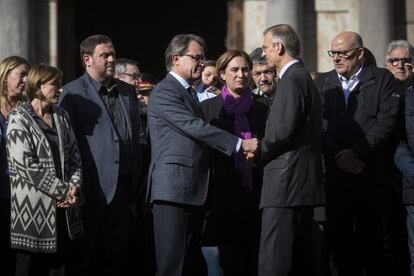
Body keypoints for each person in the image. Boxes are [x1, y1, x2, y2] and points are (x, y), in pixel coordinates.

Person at [147, 33, 258, 276]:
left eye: (202, 58)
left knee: (190, 266)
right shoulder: (166, 91)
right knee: (171, 266)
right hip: (173, 191)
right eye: (196, 57)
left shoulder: (187, 91)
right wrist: (240, 144)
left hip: (192, 191)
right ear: (176, 59)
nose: (201, 62)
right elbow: (193, 126)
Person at [314, 31, 400, 276]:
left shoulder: (382, 79)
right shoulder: (322, 82)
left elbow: (387, 122)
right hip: (334, 179)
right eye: (333, 53)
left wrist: (356, 153)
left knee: (375, 247)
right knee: (339, 248)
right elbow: (315, 126)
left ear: (360, 53)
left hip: (371, 177)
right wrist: (340, 156)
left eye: (343, 53)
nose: (337, 59)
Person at [59, 34, 142, 275]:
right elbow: (68, 144)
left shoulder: (126, 91)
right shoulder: (72, 94)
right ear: (87, 59)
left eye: (113, 54)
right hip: (91, 192)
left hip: (125, 191)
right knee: (86, 260)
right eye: (104, 55)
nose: (111, 59)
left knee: (116, 258)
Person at [258, 24, 325, 276]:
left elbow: (280, 132)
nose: (263, 53)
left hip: (284, 184)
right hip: (303, 183)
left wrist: (257, 151)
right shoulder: (304, 78)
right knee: (298, 261)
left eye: (265, 47)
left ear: (278, 47)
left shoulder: (290, 80)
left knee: (274, 260)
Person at [6, 64, 82, 276]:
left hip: (64, 213)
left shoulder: (62, 116)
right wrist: (62, 190)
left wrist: (73, 188)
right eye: (55, 85)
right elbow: (25, 165)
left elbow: (75, 158)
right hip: (33, 214)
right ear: (38, 86)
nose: (60, 89)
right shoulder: (19, 117)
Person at [201, 49, 268, 276]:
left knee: (254, 259)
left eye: (245, 69)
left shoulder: (264, 107)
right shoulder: (207, 109)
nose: (241, 74)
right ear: (222, 74)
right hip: (221, 194)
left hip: (256, 193)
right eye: (235, 69)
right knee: (226, 262)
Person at [0, 55, 30, 276]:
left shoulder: (28, 112)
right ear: (5, 77)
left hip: (21, 199)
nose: (26, 80)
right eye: (21, 74)